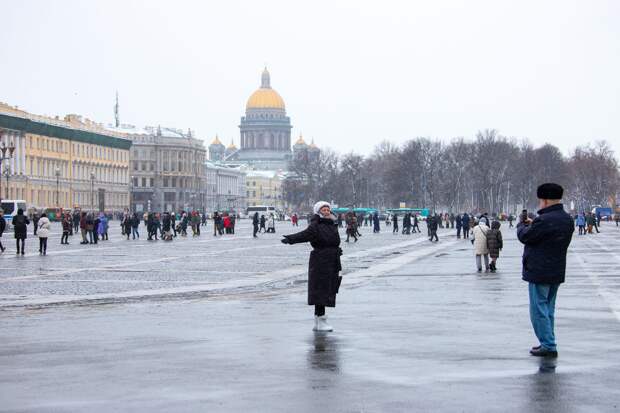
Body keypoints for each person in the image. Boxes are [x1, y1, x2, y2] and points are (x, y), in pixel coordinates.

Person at [517, 183, 574, 358]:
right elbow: (548, 235)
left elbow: (525, 236)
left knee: (538, 309)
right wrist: (534, 224)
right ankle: (548, 341)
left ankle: (548, 345)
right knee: (549, 309)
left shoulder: (544, 220)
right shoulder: (566, 219)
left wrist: (521, 225)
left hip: (539, 270)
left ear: (546, 200)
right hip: (556, 269)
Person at [281, 201, 342, 332]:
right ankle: (321, 320)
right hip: (320, 260)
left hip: (332, 260)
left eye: (327, 209)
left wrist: (336, 249)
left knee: (328, 289)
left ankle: (319, 321)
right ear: (318, 212)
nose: (326, 212)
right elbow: (304, 235)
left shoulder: (332, 223)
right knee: (321, 290)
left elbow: (333, 241)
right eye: (323, 210)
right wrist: (290, 239)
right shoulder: (316, 225)